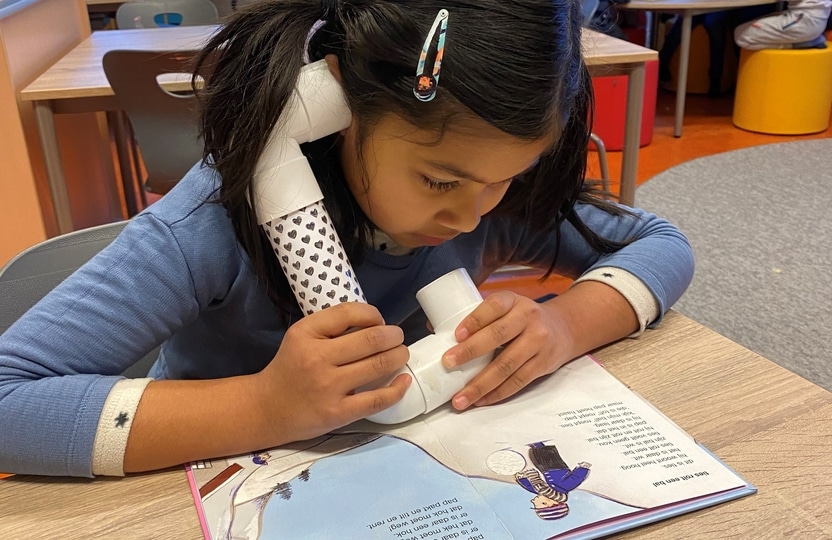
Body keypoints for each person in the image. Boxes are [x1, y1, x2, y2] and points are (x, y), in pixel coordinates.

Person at [0, 0, 694, 478]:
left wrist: (563, 325)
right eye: (438, 181)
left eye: (507, 180)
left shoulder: (480, 182)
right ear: (335, 104)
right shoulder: (211, 223)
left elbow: (663, 243)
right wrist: (266, 407)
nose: (474, 218)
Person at [735, 0, 832, 50]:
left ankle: (801, 43)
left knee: (741, 36)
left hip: (804, 20)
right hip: (810, 18)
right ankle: (807, 40)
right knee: (750, 22)